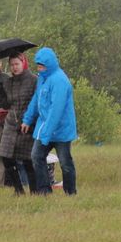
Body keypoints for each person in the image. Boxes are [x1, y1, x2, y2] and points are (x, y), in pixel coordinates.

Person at [21, 47, 78, 195]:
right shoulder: (42, 78)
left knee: (65, 163)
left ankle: (70, 192)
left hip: (61, 130)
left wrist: (45, 134)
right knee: (36, 156)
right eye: (38, 66)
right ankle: (44, 191)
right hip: (44, 128)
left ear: (49, 64)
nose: (39, 69)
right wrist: (27, 119)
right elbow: (36, 100)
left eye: (41, 66)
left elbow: (56, 111)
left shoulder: (60, 81)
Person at [0, 53, 37, 194]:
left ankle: (34, 190)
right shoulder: (8, 82)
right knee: (5, 157)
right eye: (12, 64)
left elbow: (37, 103)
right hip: (11, 123)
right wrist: (1, 93)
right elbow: (6, 104)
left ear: (23, 63)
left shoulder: (33, 80)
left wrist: (30, 120)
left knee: (27, 159)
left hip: (27, 124)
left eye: (17, 64)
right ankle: (18, 189)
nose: (14, 67)